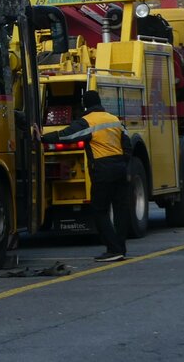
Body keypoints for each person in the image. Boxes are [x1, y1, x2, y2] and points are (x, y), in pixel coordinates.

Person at [56, 89, 131, 262]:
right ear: (99, 102)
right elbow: (127, 146)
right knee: (120, 209)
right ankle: (121, 248)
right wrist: (123, 163)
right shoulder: (115, 120)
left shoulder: (87, 121)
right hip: (120, 168)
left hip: (102, 170)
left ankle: (113, 249)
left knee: (99, 210)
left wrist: (42, 138)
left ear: (85, 104)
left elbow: (67, 135)